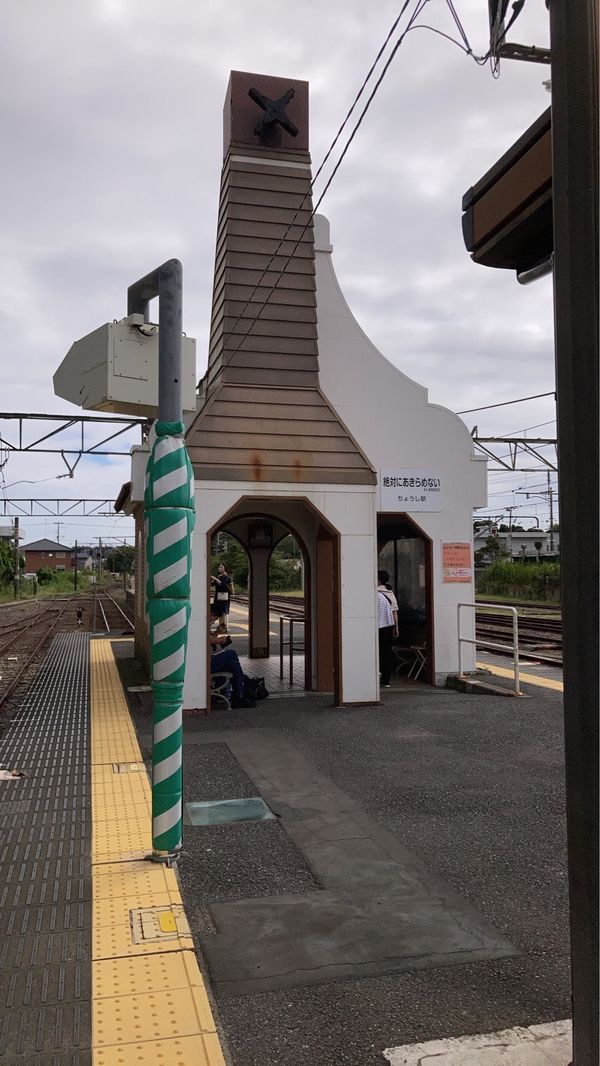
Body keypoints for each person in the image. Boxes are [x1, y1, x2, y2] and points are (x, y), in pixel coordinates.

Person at [209, 629, 255, 708]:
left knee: (233, 664)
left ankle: (238, 695)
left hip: (208, 661)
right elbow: (209, 639)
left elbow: (210, 638)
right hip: (206, 662)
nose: (214, 619)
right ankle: (239, 694)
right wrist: (220, 640)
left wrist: (217, 632)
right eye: (214, 617)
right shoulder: (201, 624)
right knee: (232, 653)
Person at [377, 569, 399, 688]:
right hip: (389, 626)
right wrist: (396, 628)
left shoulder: (375, 593)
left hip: (378, 626)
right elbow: (395, 612)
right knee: (386, 652)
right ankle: (386, 679)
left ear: (378, 580)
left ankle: (377, 674)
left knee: (377, 652)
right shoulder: (390, 593)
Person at [210, 563, 234, 632]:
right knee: (219, 612)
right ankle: (221, 627)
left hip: (224, 598)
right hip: (218, 597)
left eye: (221, 567)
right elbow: (213, 584)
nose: (219, 568)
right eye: (219, 567)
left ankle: (225, 627)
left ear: (225, 568)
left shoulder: (227, 577)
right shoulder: (220, 577)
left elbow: (222, 585)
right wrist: (212, 580)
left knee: (224, 612)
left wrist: (214, 579)